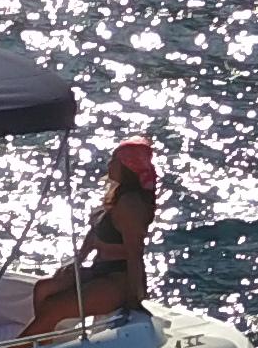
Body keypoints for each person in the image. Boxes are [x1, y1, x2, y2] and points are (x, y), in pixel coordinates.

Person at [23, 138, 158, 334]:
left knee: (55, 307)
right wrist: (77, 262)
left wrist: (133, 299)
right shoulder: (117, 194)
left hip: (118, 279)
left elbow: (134, 253)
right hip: (100, 270)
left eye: (115, 161)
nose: (109, 165)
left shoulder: (131, 205)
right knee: (43, 289)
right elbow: (94, 233)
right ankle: (42, 341)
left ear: (127, 167)